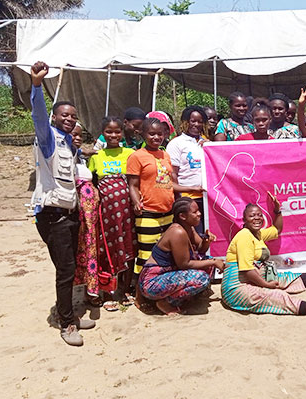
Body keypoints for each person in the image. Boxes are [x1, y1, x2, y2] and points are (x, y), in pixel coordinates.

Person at [29, 61, 96, 346]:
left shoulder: (68, 142)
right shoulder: (47, 138)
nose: (69, 118)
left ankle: (66, 312)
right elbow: (38, 115)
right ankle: (67, 323)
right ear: (55, 117)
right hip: (53, 216)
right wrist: (35, 85)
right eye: (64, 115)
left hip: (69, 213)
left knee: (68, 268)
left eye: (73, 116)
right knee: (66, 269)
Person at [221, 193, 306, 316]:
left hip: (254, 279)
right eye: (252, 216)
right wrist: (266, 285)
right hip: (236, 288)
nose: (257, 218)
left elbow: (277, 230)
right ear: (244, 220)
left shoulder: (258, 234)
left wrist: (277, 210)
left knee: (286, 278)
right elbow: (246, 270)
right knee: (276, 296)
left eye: (259, 215)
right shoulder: (244, 236)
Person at [139, 197, 221, 315]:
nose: (199, 214)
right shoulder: (177, 232)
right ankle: (166, 302)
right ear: (183, 216)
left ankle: (188, 297)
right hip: (152, 282)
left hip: (168, 275)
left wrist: (206, 241)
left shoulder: (189, 228)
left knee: (207, 262)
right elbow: (184, 264)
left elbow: (200, 249)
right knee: (202, 278)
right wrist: (214, 262)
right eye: (195, 212)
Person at [87, 116, 136, 310]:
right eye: (109, 131)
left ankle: (124, 289)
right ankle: (107, 291)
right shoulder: (96, 157)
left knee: (128, 247)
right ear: (103, 133)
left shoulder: (130, 154)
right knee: (105, 250)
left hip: (126, 213)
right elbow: (91, 184)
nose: (114, 135)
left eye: (117, 131)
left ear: (122, 133)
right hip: (105, 214)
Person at [126, 117, 175, 308]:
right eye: (151, 134)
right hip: (148, 213)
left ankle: (160, 293)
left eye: (160, 134)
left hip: (168, 212)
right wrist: (137, 202)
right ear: (143, 134)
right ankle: (139, 294)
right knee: (146, 255)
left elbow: (169, 182)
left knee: (165, 255)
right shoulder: (137, 156)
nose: (156, 137)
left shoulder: (165, 155)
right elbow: (133, 184)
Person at [71, 123, 103, 307]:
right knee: (81, 250)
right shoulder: (62, 158)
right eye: (72, 135)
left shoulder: (80, 157)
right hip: (80, 214)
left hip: (91, 216)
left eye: (79, 135)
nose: (76, 138)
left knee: (91, 249)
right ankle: (84, 292)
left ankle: (90, 289)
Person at [166, 106, 208, 234]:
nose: (196, 124)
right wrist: (180, 197)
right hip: (188, 198)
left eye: (200, 121)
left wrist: (210, 146)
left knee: (206, 234)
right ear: (185, 122)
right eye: (193, 121)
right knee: (193, 233)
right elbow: (173, 174)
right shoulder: (176, 143)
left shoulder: (206, 143)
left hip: (207, 197)